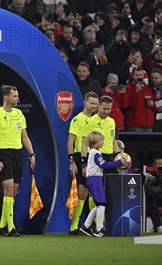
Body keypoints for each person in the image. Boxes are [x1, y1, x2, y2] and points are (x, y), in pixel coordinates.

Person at [0, 85, 36, 238]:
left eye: (17, 95)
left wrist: (32, 154)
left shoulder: (19, 114)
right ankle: (11, 227)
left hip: (17, 154)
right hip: (3, 153)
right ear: (6, 97)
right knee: (8, 188)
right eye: (15, 96)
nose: (17, 98)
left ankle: (2, 225)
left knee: (14, 191)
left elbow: (24, 137)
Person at [79, 131, 126, 237]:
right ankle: (99, 229)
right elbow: (105, 165)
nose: (103, 142)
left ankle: (86, 227)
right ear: (96, 142)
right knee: (102, 204)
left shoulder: (94, 152)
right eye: (101, 140)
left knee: (98, 204)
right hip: (95, 179)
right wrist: (119, 162)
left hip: (93, 179)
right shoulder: (95, 153)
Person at [67, 91, 99, 235]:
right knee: (82, 191)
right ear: (85, 102)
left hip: (96, 157)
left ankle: (93, 225)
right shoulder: (77, 119)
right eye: (91, 103)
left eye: (96, 104)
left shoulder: (97, 120)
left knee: (94, 192)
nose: (94, 106)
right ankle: (74, 227)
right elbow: (70, 142)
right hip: (81, 157)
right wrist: (72, 161)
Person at [83, 96, 120, 165]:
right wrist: (84, 164)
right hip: (95, 157)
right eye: (104, 109)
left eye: (109, 109)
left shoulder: (112, 122)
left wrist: (119, 155)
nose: (106, 111)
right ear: (99, 106)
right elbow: (84, 143)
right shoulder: (90, 121)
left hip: (109, 157)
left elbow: (113, 141)